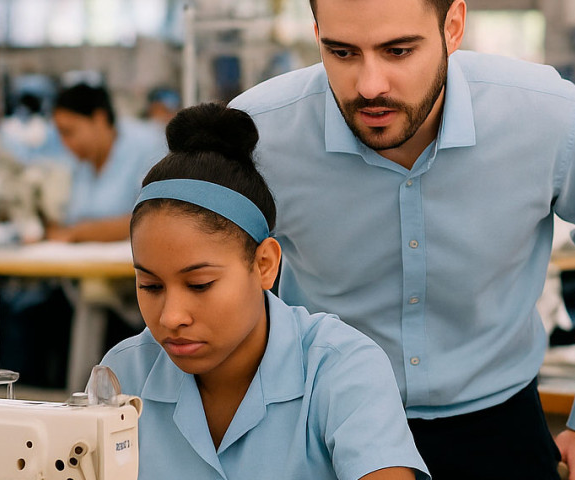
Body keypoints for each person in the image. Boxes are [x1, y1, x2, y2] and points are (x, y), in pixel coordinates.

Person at [229, 0, 575, 478]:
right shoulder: (254, 134)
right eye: (342, 52)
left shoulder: (552, 117)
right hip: (322, 429)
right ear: (317, 35)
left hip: (501, 429)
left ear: (453, 27)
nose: (370, 85)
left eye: (398, 51)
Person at [100, 103, 428, 480]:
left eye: (200, 284)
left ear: (264, 265)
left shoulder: (341, 369)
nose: (171, 317)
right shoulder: (125, 374)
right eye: (151, 286)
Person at [50, 83, 166, 242]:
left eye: (69, 132)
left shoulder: (148, 146)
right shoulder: (79, 162)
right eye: (60, 135)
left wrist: (80, 233)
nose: (65, 143)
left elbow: (155, 217)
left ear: (99, 119)